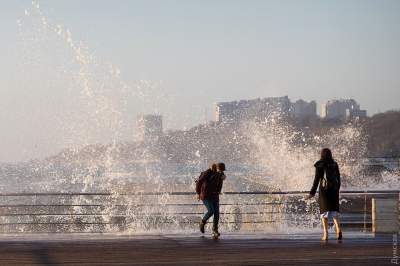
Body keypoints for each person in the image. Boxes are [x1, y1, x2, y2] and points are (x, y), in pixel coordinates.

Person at [306, 148, 342, 241]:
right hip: (334, 191)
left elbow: (316, 180)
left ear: (322, 154)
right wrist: (337, 190)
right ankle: (338, 230)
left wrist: (312, 193)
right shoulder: (334, 164)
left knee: (324, 213)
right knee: (334, 212)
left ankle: (326, 234)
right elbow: (338, 178)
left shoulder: (320, 164)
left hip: (324, 191)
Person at [196, 162, 226, 238]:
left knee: (216, 213)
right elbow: (199, 181)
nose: (222, 172)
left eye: (223, 170)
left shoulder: (220, 175)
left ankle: (215, 230)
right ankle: (202, 222)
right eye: (220, 170)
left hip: (215, 196)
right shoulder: (208, 172)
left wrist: (219, 191)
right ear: (216, 168)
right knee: (211, 211)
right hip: (206, 195)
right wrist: (198, 193)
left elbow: (220, 185)